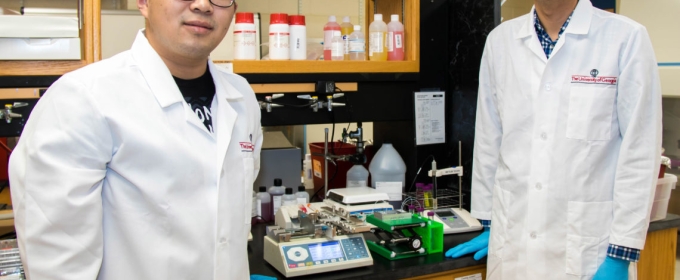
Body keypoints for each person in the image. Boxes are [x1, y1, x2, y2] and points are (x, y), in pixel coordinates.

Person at [8, 0, 270, 279]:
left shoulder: (241, 97)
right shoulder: (82, 98)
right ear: (143, 3)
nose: (204, 5)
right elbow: (57, 259)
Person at [445, 0, 661, 279]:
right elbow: (489, 140)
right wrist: (489, 223)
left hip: (588, 253)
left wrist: (621, 253)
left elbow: (640, 153)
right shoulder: (500, 42)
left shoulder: (626, 39)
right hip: (513, 246)